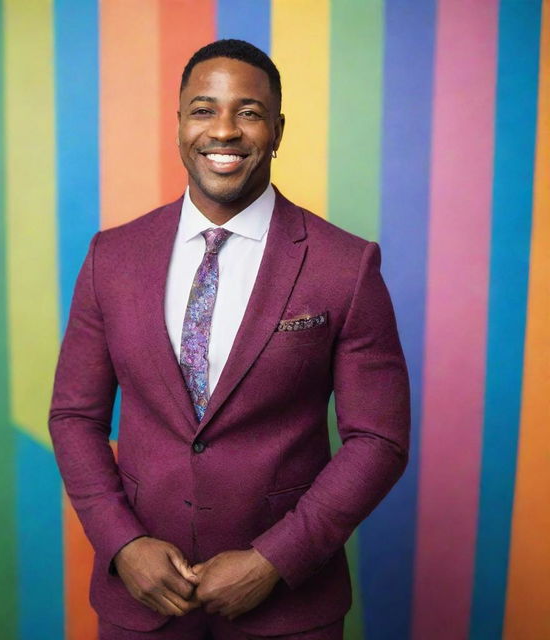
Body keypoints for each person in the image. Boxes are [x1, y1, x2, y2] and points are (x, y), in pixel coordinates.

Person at [49, 39, 410, 640]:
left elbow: (379, 439)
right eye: (203, 109)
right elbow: (73, 416)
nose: (224, 131)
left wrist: (276, 559)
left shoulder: (344, 266)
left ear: (277, 129)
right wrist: (123, 543)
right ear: (180, 124)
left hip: (289, 608)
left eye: (248, 112)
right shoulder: (110, 256)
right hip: (141, 604)